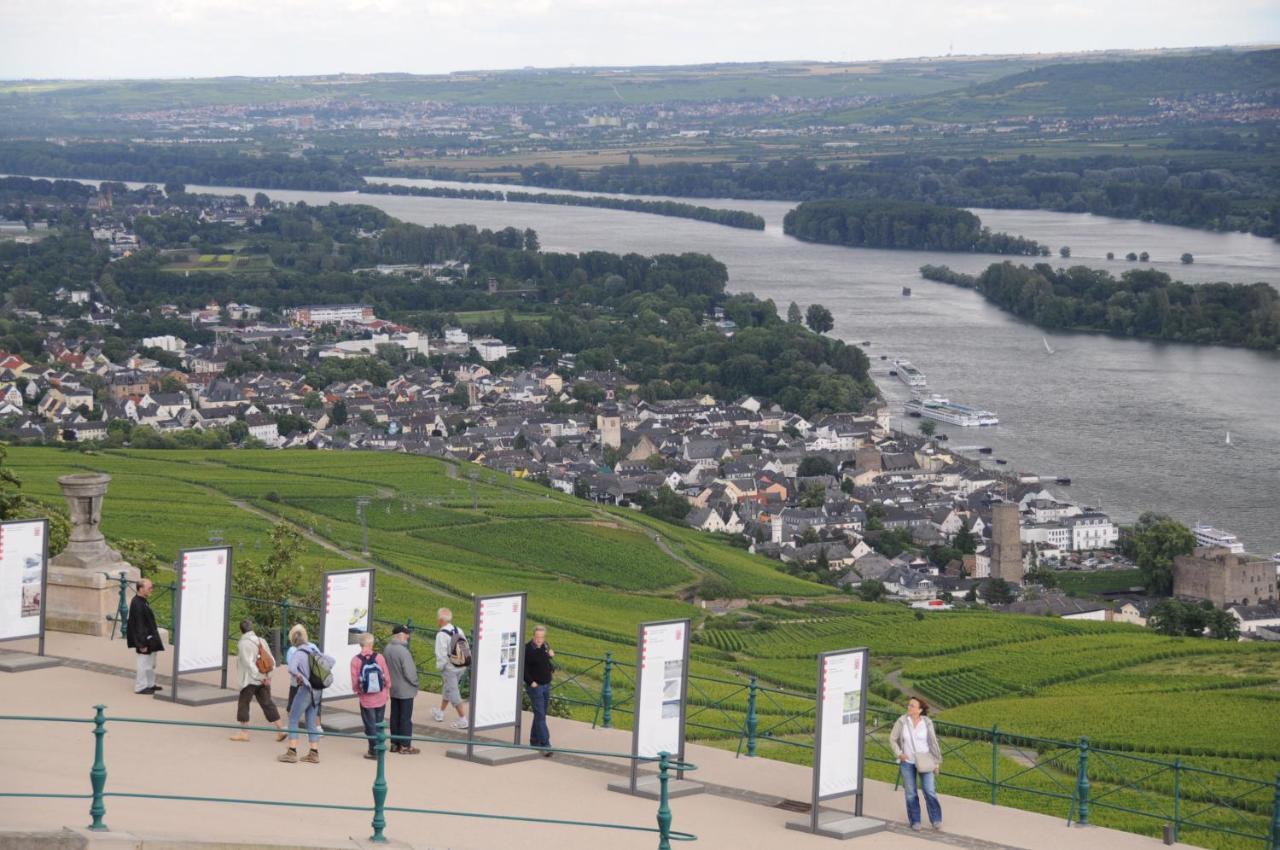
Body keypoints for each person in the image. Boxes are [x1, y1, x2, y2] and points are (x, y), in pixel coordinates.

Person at [279, 624, 334, 764]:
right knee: (311, 720)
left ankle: (292, 751)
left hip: (305, 690)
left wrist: (302, 677)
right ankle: (314, 753)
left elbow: (291, 668)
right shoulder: (313, 649)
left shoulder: (297, 653)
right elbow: (331, 661)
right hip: (317, 690)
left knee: (293, 718)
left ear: (293, 640)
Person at [890, 696, 943, 831]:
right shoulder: (902, 721)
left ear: (919, 710)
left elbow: (933, 744)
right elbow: (892, 738)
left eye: (912, 706)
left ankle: (936, 819)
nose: (909, 707)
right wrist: (899, 753)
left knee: (929, 791)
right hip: (907, 762)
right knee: (911, 793)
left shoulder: (927, 723)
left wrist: (936, 762)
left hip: (925, 761)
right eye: (909, 705)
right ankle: (915, 821)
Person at [230, 619, 286, 743]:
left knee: (243, 704)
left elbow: (249, 664)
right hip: (264, 679)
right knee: (267, 703)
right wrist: (267, 677)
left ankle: (244, 733)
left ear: (241, 630)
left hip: (249, 680)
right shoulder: (262, 640)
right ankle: (281, 729)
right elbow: (271, 660)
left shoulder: (243, 644)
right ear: (252, 628)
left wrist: (259, 677)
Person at [351, 632, 391, 760]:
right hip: (381, 696)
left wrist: (359, 692)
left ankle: (374, 751)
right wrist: (387, 690)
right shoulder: (379, 657)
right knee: (379, 724)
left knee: (370, 724)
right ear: (371, 643)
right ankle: (379, 748)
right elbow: (387, 676)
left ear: (360, 644)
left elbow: (355, 682)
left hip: (366, 699)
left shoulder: (355, 660)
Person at [384, 624, 420, 754]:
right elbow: (410, 673)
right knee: (405, 718)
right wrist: (416, 683)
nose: (408, 636)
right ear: (400, 636)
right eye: (406, 634)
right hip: (405, 689)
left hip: (393, 687)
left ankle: (394, 744)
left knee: (395, 716)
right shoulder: (403, 651)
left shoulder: (387, 648)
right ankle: (405, 746)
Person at [125, 578, 164, 695]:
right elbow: (138, 625)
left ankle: (150, 684)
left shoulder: (142, 601)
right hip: (144, 639)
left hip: (149, 638)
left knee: (150, 662)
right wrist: (141, 644)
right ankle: (140, 686)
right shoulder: (137, 603)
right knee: (143, 663)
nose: (151, 590)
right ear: (141, 589)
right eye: (149, 588)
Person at [432, 607, 469, 729]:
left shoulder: (441, 634)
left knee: (453, 691)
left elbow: (441, 655)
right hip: (461, 665)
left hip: (450, 668)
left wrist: (440, 667)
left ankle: (463, 719)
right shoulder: (459, 630)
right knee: (448, 688)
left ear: (441, 620)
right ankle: (440, 713)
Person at [523, 625, 555, 755]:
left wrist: (550, 656)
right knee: (541, 716)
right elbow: (523, 669)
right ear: (533, 636)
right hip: (536, 687)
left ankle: (534, 740)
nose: (539, 640)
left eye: (541, 637)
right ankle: (546, 745)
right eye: (537, 637)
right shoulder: (527, 649)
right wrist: (531, 683)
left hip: (546, 685)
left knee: (540, 714)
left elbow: (544, 661)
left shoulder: (544, 646)